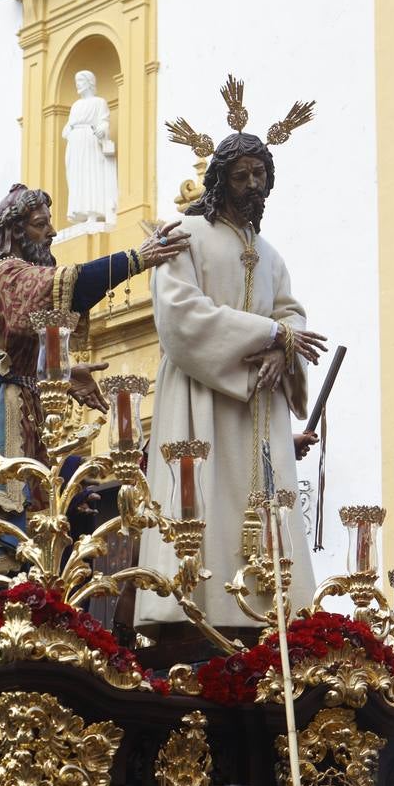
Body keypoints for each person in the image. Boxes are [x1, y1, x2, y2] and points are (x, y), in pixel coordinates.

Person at [0, 183, 189, 615]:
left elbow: (14, 350)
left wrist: (61, 372)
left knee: (38, 532)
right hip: (0, 422)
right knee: (0, 531)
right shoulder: (5, 276)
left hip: (19, 410)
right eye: (39, 224)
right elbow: (64, 286)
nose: (50, 233)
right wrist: (136, 259)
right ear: (14, 231)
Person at [135, 78, 327, 654]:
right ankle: (191, 612)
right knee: (204, 507)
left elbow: (290, 313)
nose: (252, 186)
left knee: (263, 505)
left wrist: (281, 348)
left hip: (260, 405)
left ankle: (270, 615)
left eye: (260, 175)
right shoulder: (184, 235)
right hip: (202, 397)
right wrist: (268, 334)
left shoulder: (271, 256)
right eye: (242, 175)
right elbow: (180, 316)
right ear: (220, 178)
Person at [62, 69, 119, 224]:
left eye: (80, 81)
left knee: (91, 175)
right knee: (77, 177)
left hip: (90, 141)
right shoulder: (75, 106)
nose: (77, 85)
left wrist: (102, 130)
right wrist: (69, 131)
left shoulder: (99, 102)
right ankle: (80, 212)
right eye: (76, 82)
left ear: (89, 83)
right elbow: (67, 127)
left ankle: (92, 213)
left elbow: (104, 122)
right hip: (75, 144)